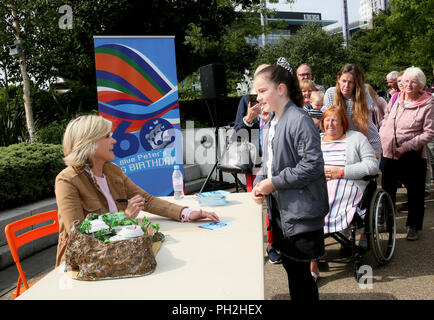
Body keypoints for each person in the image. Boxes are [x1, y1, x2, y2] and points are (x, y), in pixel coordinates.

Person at [55, 115, 220, 266]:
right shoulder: (67, 180)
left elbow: (146, 200)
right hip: (84, 265)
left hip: (118, 254)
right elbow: (78, 234)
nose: (113, 141)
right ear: (89, 143)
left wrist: (186, 213)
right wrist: (123, 218)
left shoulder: (113, 171)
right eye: (107, 136)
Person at [251, 57, 329, 300]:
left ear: (281, 89)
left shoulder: (299, 120)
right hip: (283, 213)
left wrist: (273, 182)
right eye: (256, 93)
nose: (258, 98)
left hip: (301, 213)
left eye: (263, 91)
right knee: (293, 272)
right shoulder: (273, 121)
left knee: (301, 277)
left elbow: (313, 165)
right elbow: (271, 163)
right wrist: (261, 181)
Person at [309, 106, 379, 280]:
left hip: (347, 182)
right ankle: (313, 263)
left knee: (325, 202)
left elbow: (372, 166)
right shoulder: (315, 140)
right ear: (322, 122)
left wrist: (341, 172)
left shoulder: (356, 138)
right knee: (306, 206)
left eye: (335, 120)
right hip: (320, 183)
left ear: (343, 123)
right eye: (327, 120)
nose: (330, 124)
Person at [379, 66, 434, 241]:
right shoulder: (396, 98)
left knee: (415, 192)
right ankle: (386, 221)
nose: (408, 85)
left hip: (412, 155)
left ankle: (413, 226)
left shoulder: (427, 104)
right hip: (389, 152)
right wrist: (383, 132)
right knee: (388, 189)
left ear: (421, 85)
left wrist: (406, 146)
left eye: (413, 82)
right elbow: (387, 116)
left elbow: (429, 133)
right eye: (406, 81)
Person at [322, 64, 382, 158]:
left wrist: (367, 151)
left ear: (356, 83)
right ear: (338, 79)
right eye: (344, 81)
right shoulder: (330, 93)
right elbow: (331, 124)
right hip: (343, 141)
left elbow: (362, 127)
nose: (346, 86)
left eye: (351, 82)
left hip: (367, 140)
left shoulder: (363, 94)